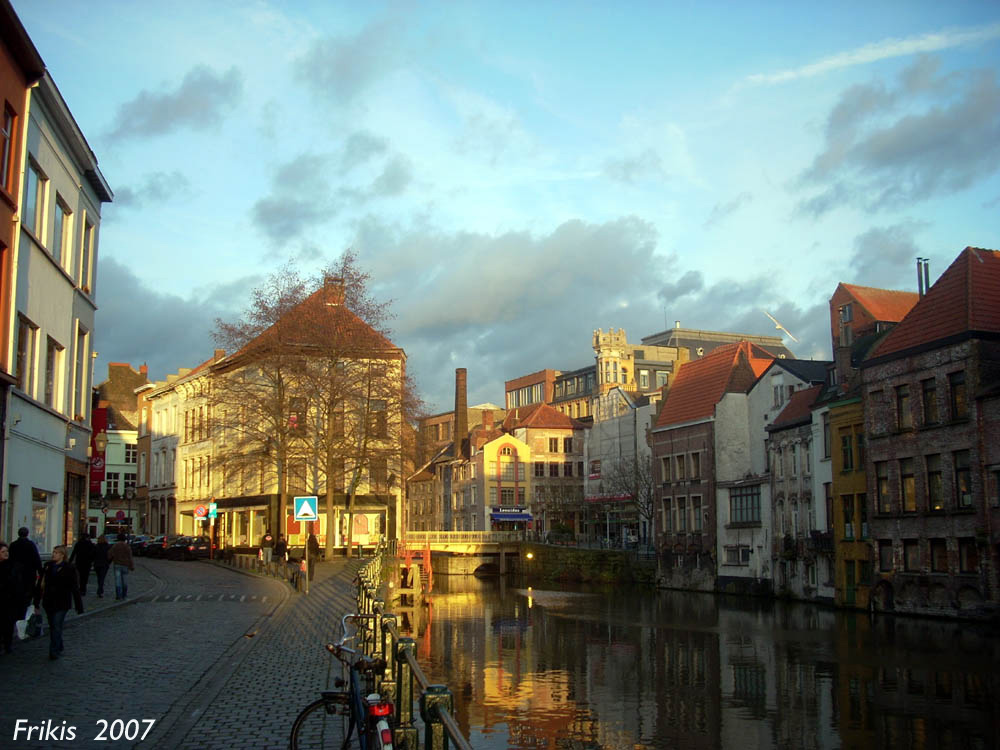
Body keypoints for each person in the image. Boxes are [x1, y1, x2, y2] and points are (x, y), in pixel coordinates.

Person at [33, 545, 83, 660]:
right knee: (53, 626)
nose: (53, 554)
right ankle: (59, 645)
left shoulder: (69, 568)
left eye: (56, 553)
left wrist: (79, 606)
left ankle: (53, 651)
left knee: (56, 625)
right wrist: (36, 602)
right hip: (49, 601)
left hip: (62, 602)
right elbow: (40, 585)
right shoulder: (47, 566)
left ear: (62, 555)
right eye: (53, 552)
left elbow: (74, 587)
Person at [8, 527, 42, 622]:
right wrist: (40, 571)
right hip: (28, 575)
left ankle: (18, 613)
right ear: (27, 534)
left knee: (17, 595)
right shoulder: (30, 545)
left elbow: (10, 560)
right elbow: (36, 559)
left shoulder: (13, 545)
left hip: (16, 574)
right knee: (27, 595)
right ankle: (23, 614)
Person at [0, 542, 16, 654]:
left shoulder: (12, 566)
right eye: (3, 552)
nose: (6, 553)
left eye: (7, 551)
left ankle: (7, 644)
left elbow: (17, 584)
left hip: (9, 600)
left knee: (8, 624)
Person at [108, 534, 134, 600]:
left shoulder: (115, 546)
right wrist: (131, 566)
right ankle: (124, 595)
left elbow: (110, 554)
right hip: (125, 565)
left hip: (117, 564)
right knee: (124, 580)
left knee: (118, 581)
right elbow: (130, 557)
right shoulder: (127, 546)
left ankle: (118, 595)